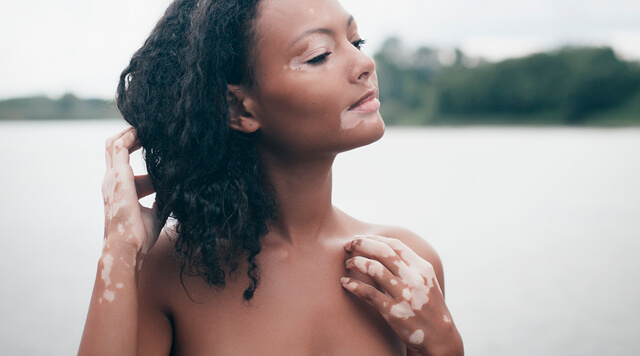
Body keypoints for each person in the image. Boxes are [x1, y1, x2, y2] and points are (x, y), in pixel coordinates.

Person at [79, 0, 464, 354]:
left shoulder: (403, 268)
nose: (365, 63)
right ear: (239, 107)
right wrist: (119, 253)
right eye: (320, 55)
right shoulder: (167, 272)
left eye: (356, 41)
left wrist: (444, 348)